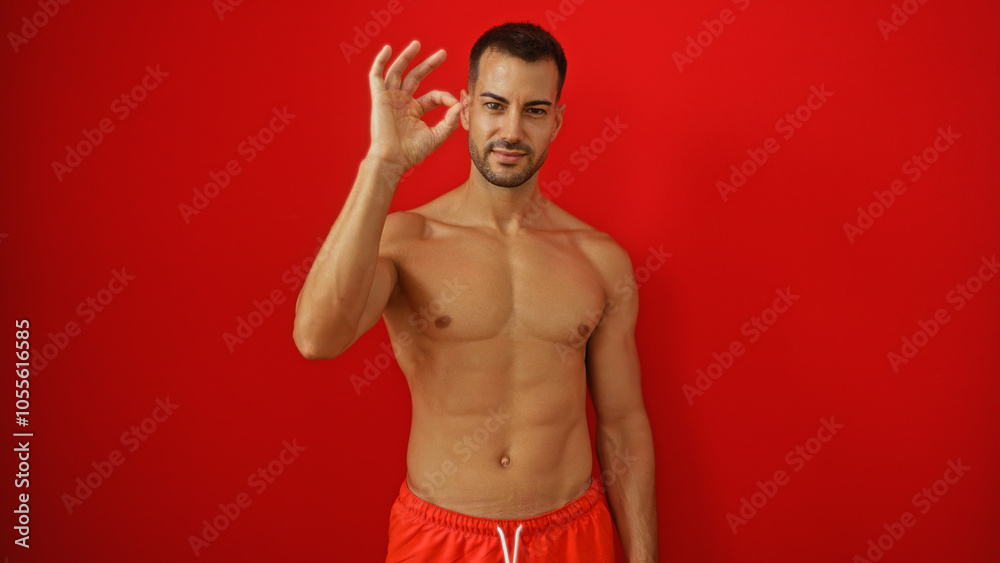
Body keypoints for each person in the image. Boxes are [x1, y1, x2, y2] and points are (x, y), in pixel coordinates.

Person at [293, 22, 657, 563]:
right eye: (493, 104)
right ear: (465, 110)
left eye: (534, 110)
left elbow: (624, 428)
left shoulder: (598, 259)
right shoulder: (407, 238)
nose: (511, 130)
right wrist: (383, 166)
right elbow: (316, 338)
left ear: (556, 121)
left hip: (573, 537)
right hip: (440, 540)